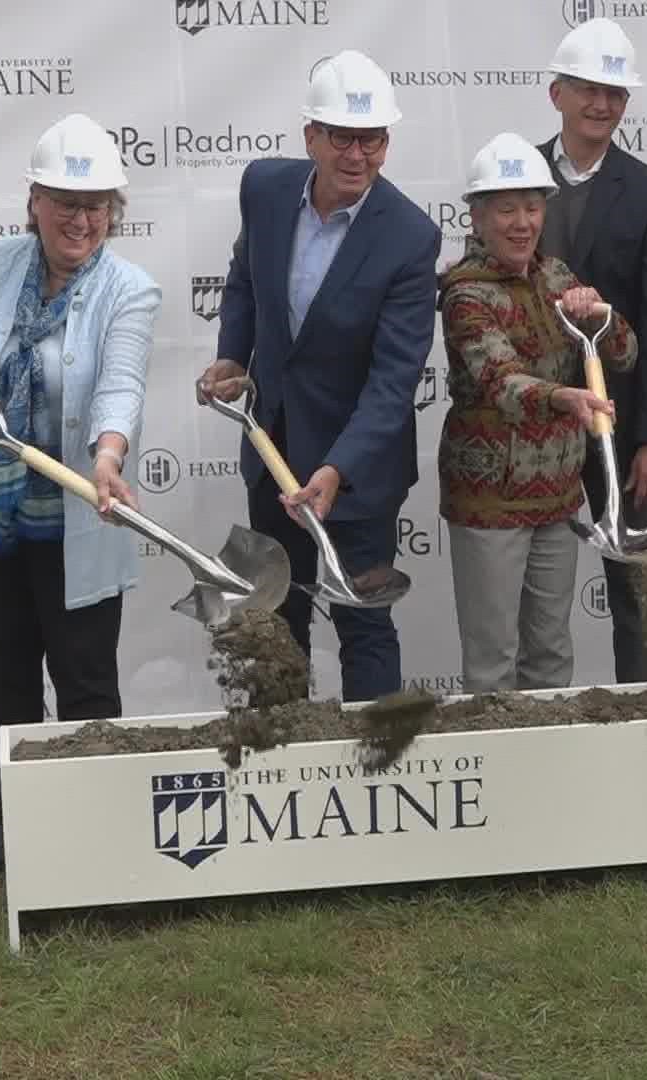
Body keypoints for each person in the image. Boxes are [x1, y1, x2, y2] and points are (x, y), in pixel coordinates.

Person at [0, 112, 162, 874]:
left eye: (96, 206)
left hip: (78, 518)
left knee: (86, 681)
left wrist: (109, 453)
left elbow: (118, 385)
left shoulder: (130, 289)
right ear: (34, 201)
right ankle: (15, 822)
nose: (81, 219)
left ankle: (96, 833)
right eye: (65, 201)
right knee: (9, 676)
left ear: (113, 212)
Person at [198, 50, 441, 703]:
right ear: (311, 135)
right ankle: (281, 763)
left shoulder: (411, 239)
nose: (358, 154)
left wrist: (336, 471)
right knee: (275, 623)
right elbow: (245, 280)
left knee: (363, 628)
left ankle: (374, 774)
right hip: (272, 452)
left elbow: (394, 380)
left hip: (356, 477)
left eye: (373, 139)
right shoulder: (265, 189)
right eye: (342, 137)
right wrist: (232, 355)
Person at [438, 132, 638, 694]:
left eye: (532, 207)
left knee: (551, 653)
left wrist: (601, 315)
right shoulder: (464, 293)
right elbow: (500, 381)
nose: (521, 222)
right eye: (506, 209)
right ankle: (497, 775)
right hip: (488, 498)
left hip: (557, 492)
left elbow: (624, 352)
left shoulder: (558, 278)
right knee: (493, 660)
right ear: (477, 218)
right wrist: (564, 398)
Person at [534, 17, 647, 685]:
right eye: (587, 89)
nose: (601, 105)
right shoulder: (514, 176)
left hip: (620, 434)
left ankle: (645, 721)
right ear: (556, 93)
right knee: (533, 604)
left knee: (639, 599)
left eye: (615, 94)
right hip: (531, 429)